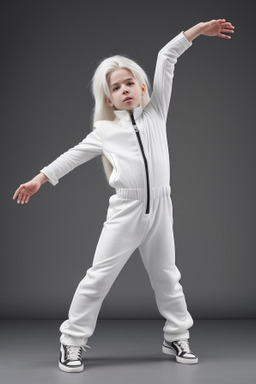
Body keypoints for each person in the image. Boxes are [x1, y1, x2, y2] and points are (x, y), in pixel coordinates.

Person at [13, 19, 235, 373]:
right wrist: (40, 179)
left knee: (167, 276)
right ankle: (71, 342)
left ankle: (176, 335)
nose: (125, 89)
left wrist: (196, 31)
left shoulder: (156, 113)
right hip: (126, 210)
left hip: (161, 208)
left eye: (130, 82)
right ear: (109, 99)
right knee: (98, 276)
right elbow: (72, 155)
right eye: (117, 87)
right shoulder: (105, 131)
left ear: (143, 87)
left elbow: (167, 56)